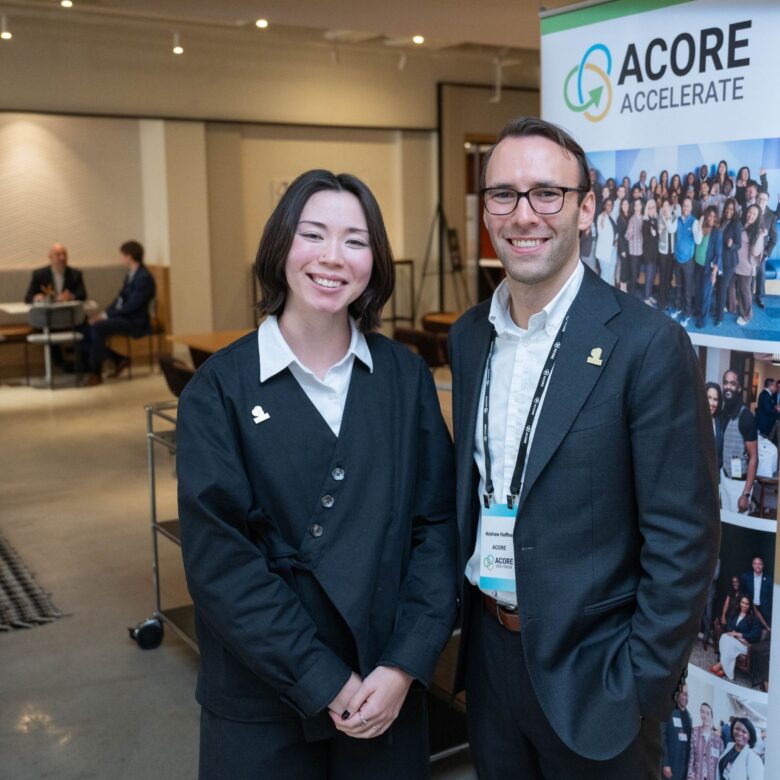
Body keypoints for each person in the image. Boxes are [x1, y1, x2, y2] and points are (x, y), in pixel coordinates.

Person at [448, 116, 719, 778]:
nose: (524, 214)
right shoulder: (467, 338)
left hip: (599, 684)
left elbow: (683, 538)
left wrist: (640, 688)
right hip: (490, 662)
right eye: (505, 195)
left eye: (548, 193)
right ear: (487, 211)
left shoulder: (646, 345)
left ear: (587, 207)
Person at [176, 169, 457, 780]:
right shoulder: (219, 390)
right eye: (314, 235)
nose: (334, 258)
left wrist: (406, 666)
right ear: (281, 248)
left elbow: (437, 528)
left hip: (384, 689)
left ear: (375, 263)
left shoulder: (404, 379)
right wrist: (324, 679)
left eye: (356, 241)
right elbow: (220, 563)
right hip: (262, 694)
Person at [80, 240, 156, 385]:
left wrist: (106, 316)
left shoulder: (144, 277)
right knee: (85, 329)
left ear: (129, 256)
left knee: (97, 328)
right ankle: (117, 359)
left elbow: (133, 306)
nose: (121, 259)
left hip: (135, 321)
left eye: (122, 255)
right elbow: (119, 299)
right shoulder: (131, 274)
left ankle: (96, 372)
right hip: (124, 317)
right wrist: (103, 314)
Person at [720, 370, 758, 514]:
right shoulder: (725, 411)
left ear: (739, 388)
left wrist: (746, 494)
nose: (728, 387)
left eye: (732, 383)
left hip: (739, 485)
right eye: (725, 382)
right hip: (725, 478)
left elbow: (754, 457)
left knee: (738, 527)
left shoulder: (746, 416)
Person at [668, 197, 703, 327]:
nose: (686, 208)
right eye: (684, 206)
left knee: (687, 289)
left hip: (688, 261)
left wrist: (699, 229)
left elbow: (698, 241)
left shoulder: (694, 222)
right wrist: (667, 217)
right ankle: (678, 307)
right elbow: (671, 229)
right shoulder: (677, 219)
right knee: (679, 286)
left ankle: (687, 313)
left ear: (691, 207)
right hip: (678, 259)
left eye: (688, 206)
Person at [710, 595, 762, 680]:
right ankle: (726, 670)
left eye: (747, 604)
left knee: (730, 643)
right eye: (743, 603)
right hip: (734, 640)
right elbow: (729, 626)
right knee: (724, 637)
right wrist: (733, 632)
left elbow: (755, 635)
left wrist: (739, 634)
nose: (744, 606)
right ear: (740, 603)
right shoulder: (735, 613)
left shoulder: (754, 618)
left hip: (744, 644)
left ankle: (721, 665)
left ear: (750, 605)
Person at [734, 205, 766, 326]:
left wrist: (762, 236)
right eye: (749, 212)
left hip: (746, 267)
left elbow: (755, 252)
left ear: (758, 217)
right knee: (735, 288)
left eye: (754, 214)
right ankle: (733, 306)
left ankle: (747, 315)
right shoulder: (744, 225)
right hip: (737, 263)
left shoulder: (757, 231)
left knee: (745, 291)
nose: (750, 215)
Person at [694, 207, 721, 328]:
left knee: (706, 294)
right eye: (709, 215)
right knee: (699, 291)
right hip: (698, 265)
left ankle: (703, 319)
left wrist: (714, 272)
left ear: (716, 219)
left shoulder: (717, 232)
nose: (711, 218)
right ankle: (699, 311)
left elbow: (718, 254)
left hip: (708, 269)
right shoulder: (701, 227)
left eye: (714, 216)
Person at [716, 199, 741, 326]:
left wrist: (731, 245)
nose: (729, 211)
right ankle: (721, 308)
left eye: (731, 209)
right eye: (727, 208)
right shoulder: (721, 221)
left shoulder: (736, 223)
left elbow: (739, 245)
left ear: (734, 210)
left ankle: (719, 317)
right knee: (720, 286)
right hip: (719, 260)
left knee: (722, 287)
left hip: (730, 262)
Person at [753, 190, 778, 309]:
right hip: (748, 249)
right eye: (759, 198)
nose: (761, 201)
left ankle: (760, 297)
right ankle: (745, 296)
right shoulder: (751, 211)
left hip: (762, 252)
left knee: (761, 273)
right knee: (748, 274)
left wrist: (767, 253)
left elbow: (773, 239)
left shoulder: (771, 216)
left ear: (767, 201)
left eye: (763, 199)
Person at [686, 702, 723, 780]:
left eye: (708, 713)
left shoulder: (719, 741)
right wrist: (690, 776)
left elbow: (719, 765)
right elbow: (691, 757)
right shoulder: (695, 732)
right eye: (702, 712)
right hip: (696, 777)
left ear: (712, 716)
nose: (705, 715)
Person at [662, 685, 692, 780]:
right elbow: (662, 738)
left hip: (683, 766)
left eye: (687, 695)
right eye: (683, 694)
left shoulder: (689, 716)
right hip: (671, 764)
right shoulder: (669, 712)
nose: (685, 697)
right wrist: (665, 763)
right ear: (677, 694)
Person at [740, 557, 772, 630]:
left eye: (760, 564)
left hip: (764, 610)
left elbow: (771, 596)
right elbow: (742, 592)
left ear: (763, 565)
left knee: (764, 631)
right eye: (755, 563)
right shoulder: (746, 577)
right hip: (750, 608)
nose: (757, 566)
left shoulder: (769, 579)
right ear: (752, 565)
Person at [594, 198, 617, 285]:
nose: (609, 206)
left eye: (611, 204)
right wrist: (602, 221)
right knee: (605, 273)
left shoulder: (613, 215)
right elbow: (600, 232)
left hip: (613, 248)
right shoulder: (601, 216)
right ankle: (603, 295)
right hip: (604, 250)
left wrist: (616, 239)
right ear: (604, 206)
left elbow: (616, 231)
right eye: (608, 204)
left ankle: (610, 293)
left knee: (611, 272)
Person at [642, 198, 659, 305]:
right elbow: (645, 237)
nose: (652, 209)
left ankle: (650, 295)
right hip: (648, 253)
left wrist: (655, 233)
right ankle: (646, 298)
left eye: (653, 207)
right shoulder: (645, 221)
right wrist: (652, 234)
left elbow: (657, 236)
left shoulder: (655, 220)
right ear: (647, 209)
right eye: (650, 208)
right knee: (648, 276)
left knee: (653, 275)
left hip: (655, 253)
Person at [625, 197, 644, 296]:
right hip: (633, 251)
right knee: (633, 274)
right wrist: (630, 233)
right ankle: (632, 295)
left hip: (641, 250)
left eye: (639, 204)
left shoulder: (643, 217)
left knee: (637, 273)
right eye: (636, 205)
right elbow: (627, 236)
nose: (638, 206)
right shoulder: (632, 219)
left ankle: (634, 292)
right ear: (634, 207)